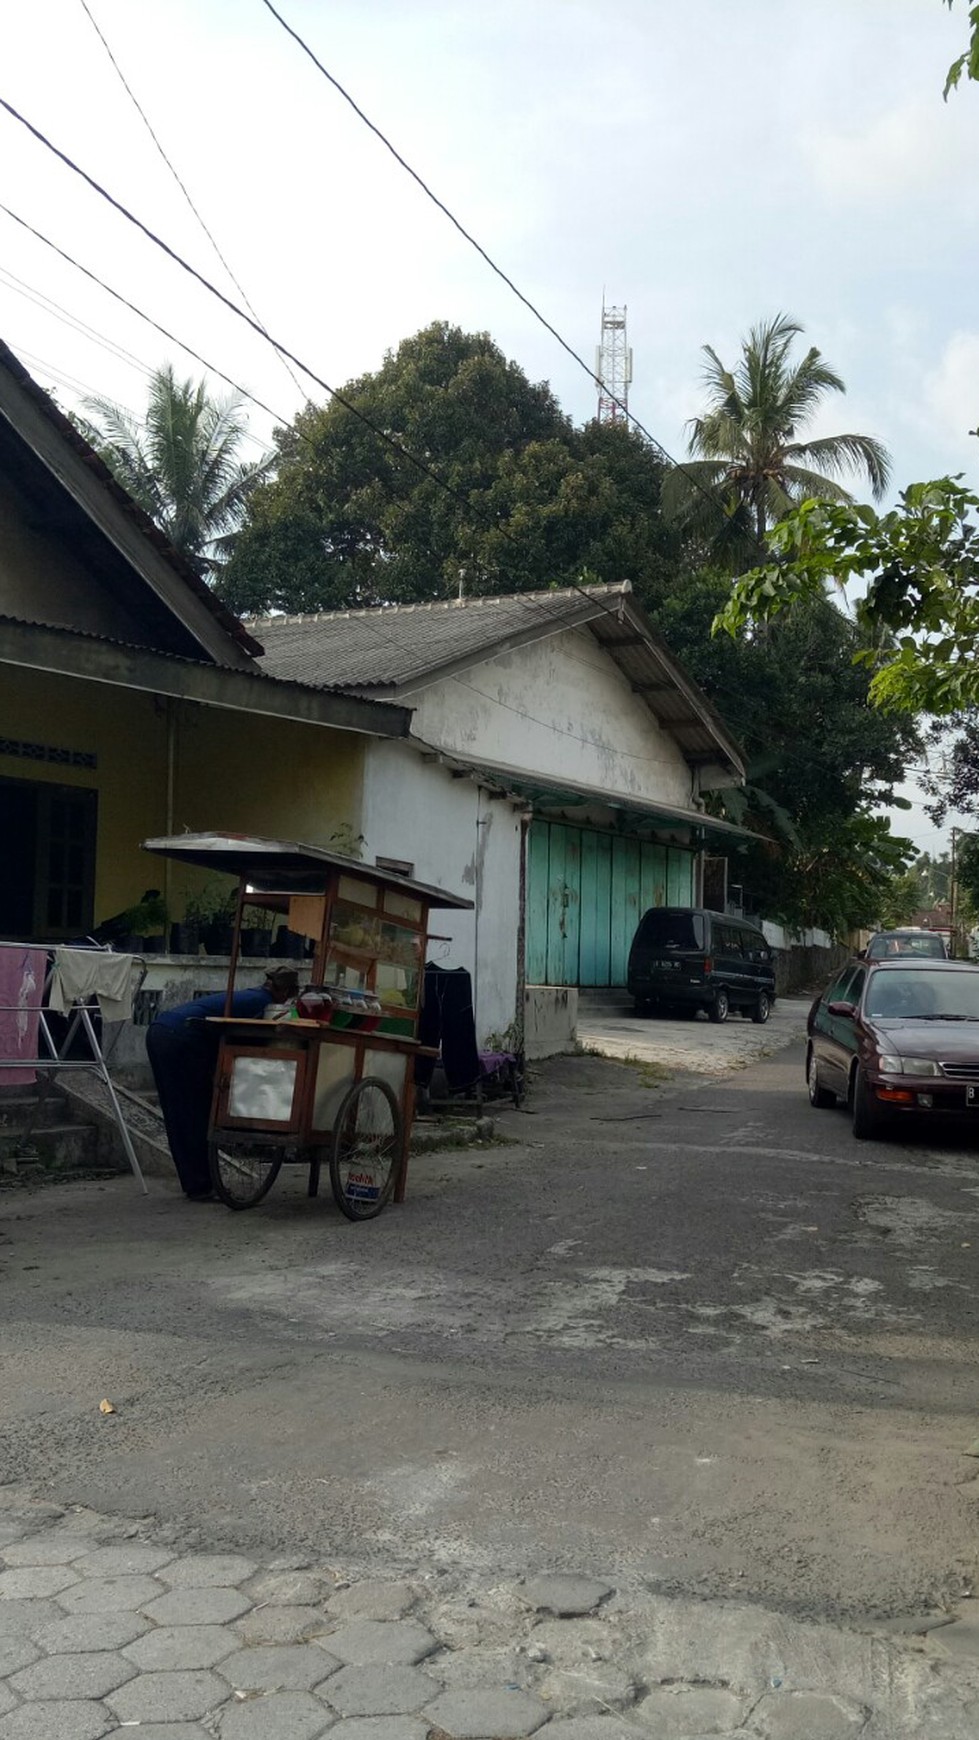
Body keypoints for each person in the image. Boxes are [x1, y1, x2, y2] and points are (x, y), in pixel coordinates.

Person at [146, 967, 299, 1200]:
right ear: (285, 991)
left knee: (179, 1112)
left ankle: (195, 1182)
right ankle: (200, 1184)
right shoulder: (264, 1005)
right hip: (182, 1039)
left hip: (161, 1031)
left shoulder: (250, 995)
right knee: (196, 1112)